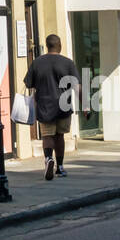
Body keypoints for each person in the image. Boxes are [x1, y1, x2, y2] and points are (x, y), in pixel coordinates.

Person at [23, 34, 82, 180]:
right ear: (59, 45)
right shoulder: (68, 63)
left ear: (47, 45)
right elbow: (77, 86)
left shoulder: (37, 62)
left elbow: (28, 83)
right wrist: (85, 105)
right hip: (63, 105)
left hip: (44, 105)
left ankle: (49, 158)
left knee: (47, 135)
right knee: (60, 136)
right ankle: (60, 167)